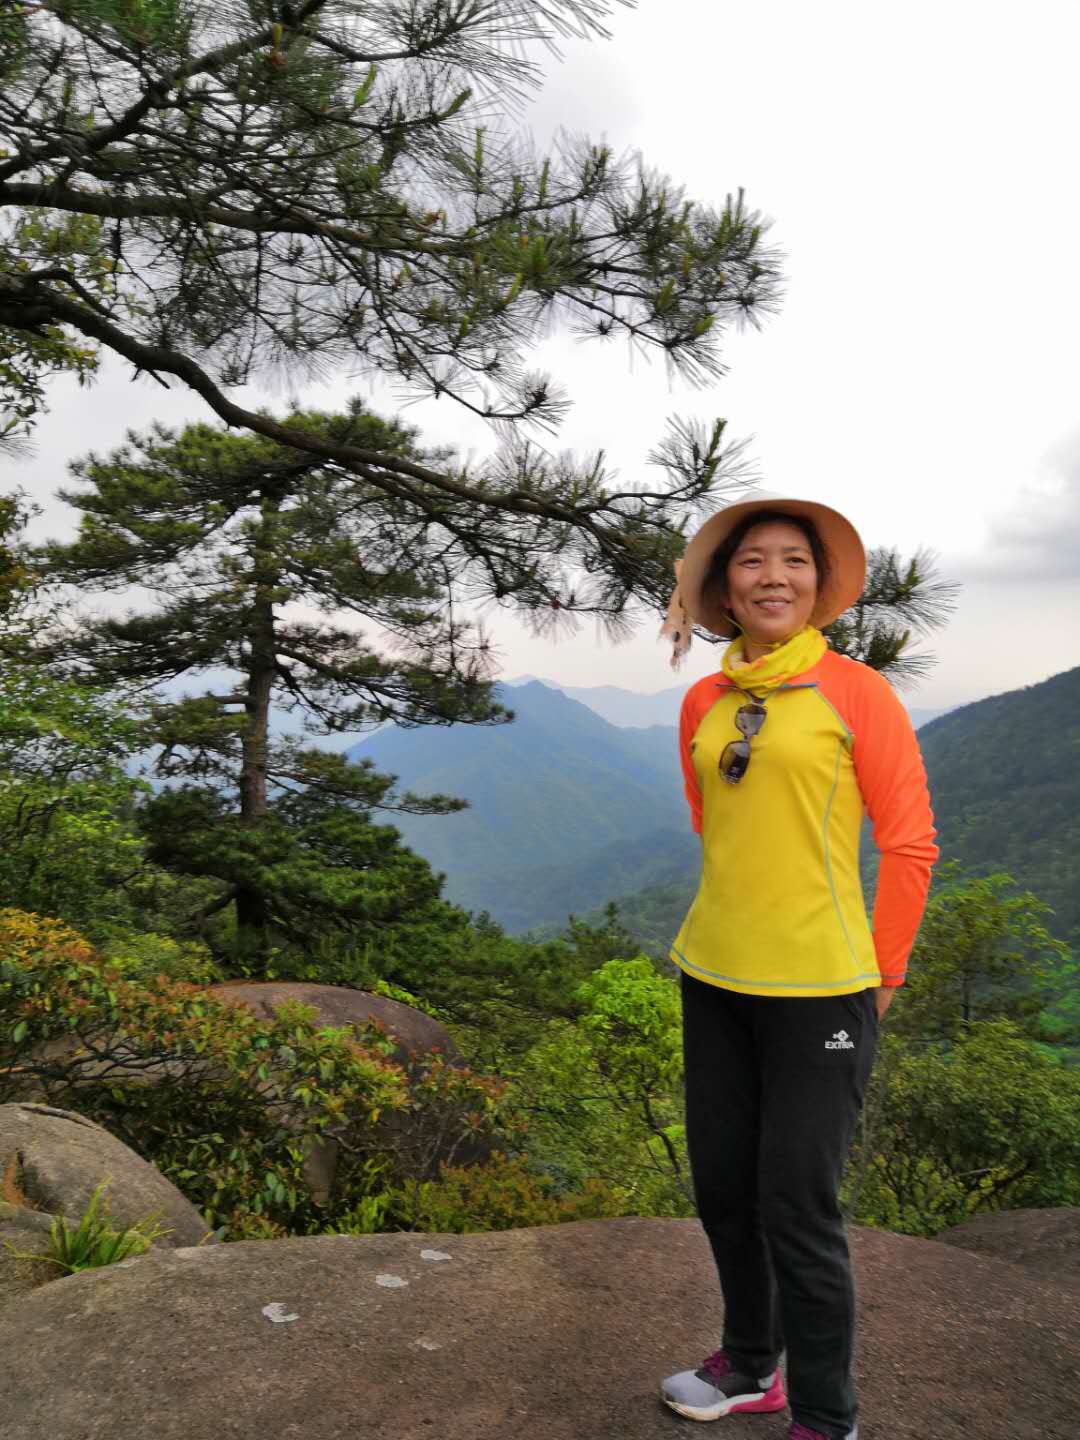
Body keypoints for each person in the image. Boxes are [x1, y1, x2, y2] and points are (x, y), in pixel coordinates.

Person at [657, 493, 938, 1440]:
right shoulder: (704, 701)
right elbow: (711, 822)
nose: (773, 576)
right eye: (752, 561)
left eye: (793, 561)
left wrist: (883, 977)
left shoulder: (858, 693)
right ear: (724, 589)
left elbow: (909, 844)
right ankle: (749, 1365)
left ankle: (825, 1415)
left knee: (798, 1208)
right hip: (714, 975)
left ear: (819, 586)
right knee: (724, 1192)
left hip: (822, 987)